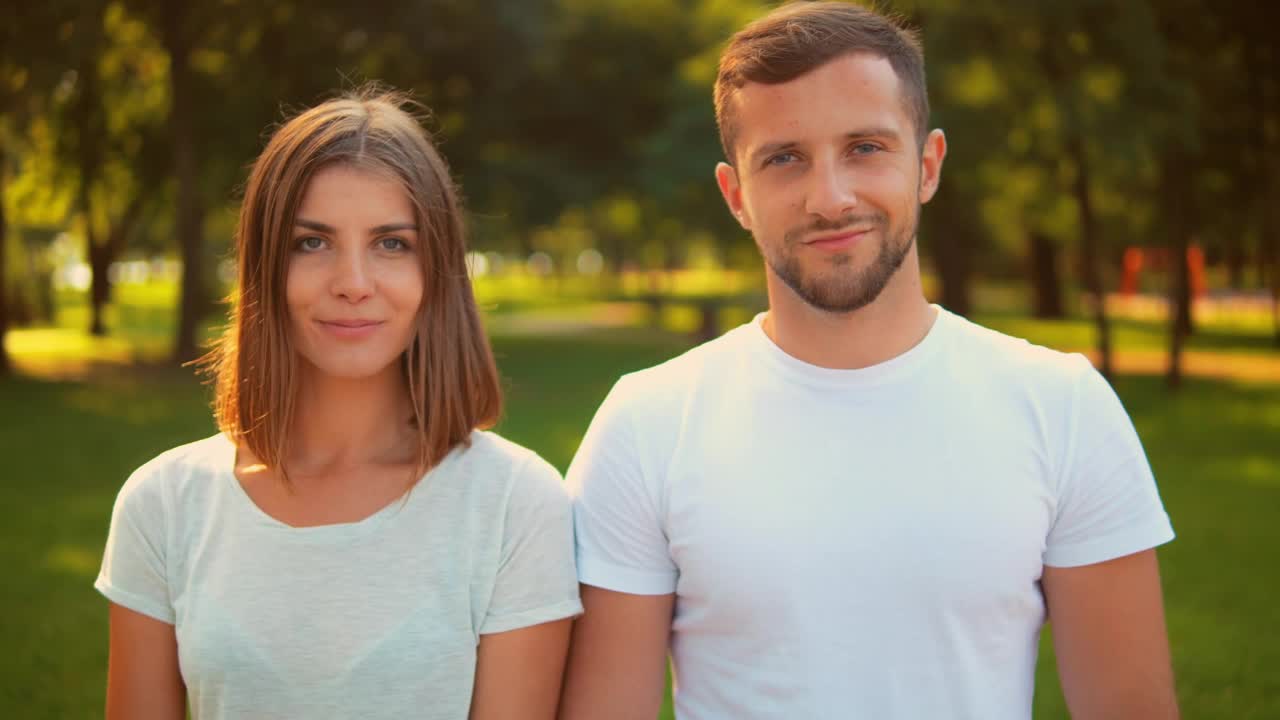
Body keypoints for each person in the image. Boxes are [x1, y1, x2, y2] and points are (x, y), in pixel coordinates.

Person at [559, 3, 1177, 719]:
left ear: (928, 164)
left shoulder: (1062, 405)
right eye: (784, 158)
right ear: (737, 196)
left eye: (866, 148)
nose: (831, 198)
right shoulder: (647, 424)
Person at [96, 88, 581, 720]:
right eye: (312, 243)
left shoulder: (516, 505)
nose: (353, 284)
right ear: (265, 265)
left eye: (391, 244)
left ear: (435, 271)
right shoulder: (162, 504)